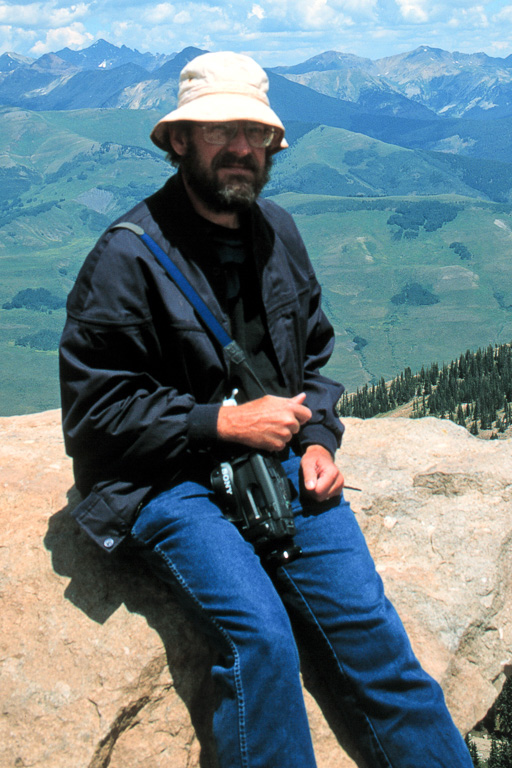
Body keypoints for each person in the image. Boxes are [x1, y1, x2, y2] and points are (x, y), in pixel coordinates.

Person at [59, 51, 473, 767]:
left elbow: (311, 358)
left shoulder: (278, 232)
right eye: (221, 131)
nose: (241, 148)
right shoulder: (127, 257)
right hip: (165, 481)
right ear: (180, 141)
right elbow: (93, 415)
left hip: (277, 466)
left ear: (272, 144)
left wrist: (316, 439)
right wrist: (218, 423)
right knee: (260, 638)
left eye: (253, 132)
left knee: (377, 642)